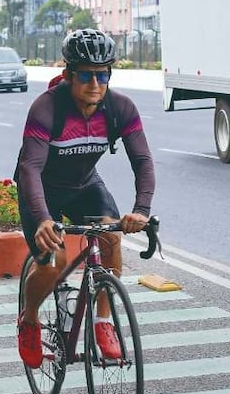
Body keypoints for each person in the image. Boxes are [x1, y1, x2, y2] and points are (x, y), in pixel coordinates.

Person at [13, 28, 156, 368]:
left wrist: (141, 210)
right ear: (67, 75)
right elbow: (30, 167)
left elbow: (143, 161)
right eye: (85, 75)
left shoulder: (120, 107)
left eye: (102, 74)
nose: (95, 83)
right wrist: (44, 219)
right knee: (54, 263)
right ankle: (29, 319)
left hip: (84, 184)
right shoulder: (47, 108)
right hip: (42, 190)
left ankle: (102, 321)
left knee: (110, 239)